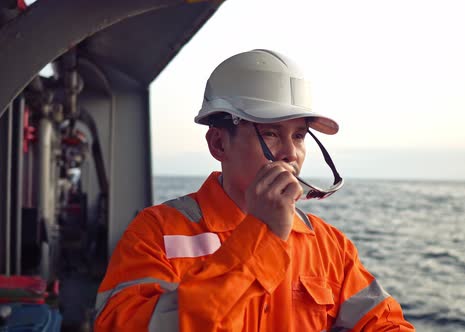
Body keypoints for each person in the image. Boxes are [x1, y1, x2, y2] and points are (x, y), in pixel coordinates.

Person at [94, 49, 415, 331]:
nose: (291, 152)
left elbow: (385, 325)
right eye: (272, 134)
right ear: (219, 143)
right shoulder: (156, 232)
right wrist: (262, 233)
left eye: (300, 136)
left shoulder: (331, 246)